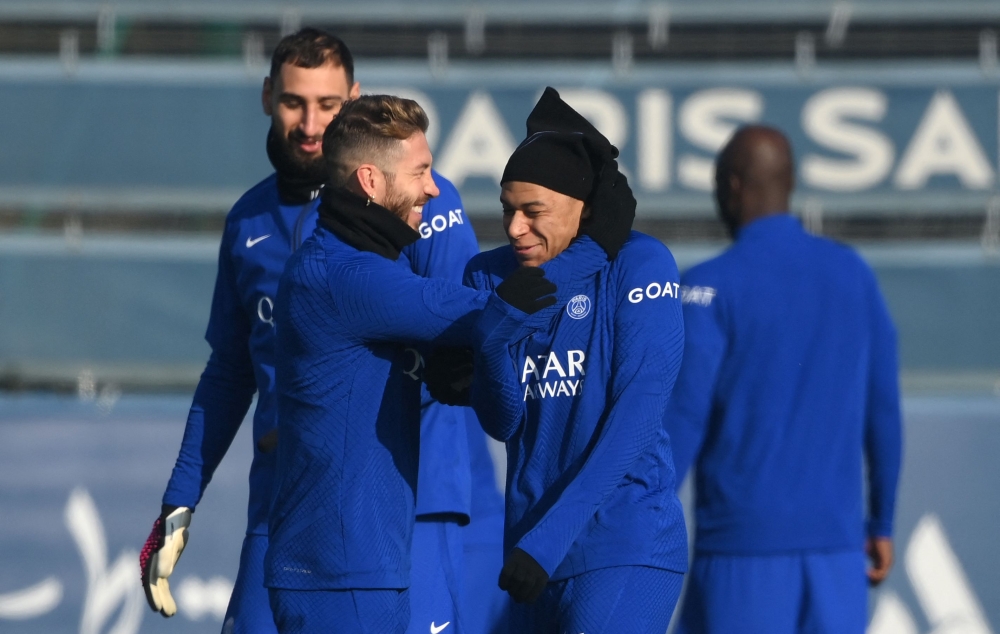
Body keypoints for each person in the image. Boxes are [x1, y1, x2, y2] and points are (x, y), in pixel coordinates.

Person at [139, 28, 501, 634]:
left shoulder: (424, 202)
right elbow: (230, 370)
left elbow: (463, 338)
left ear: (354, 101)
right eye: (293, 102)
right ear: (267, 97)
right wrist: (181, 495)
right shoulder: (248, 221)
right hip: (285, 506)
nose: (310, 125)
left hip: (406, 505)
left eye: (328, 105)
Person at [265, 94, 556, 634]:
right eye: (420, 172)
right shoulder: (344, 275)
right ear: (371, 182)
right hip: (341, 574)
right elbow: (482, 310)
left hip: (360, 568)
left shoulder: (352, 264)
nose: (432, 188)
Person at [445, 87, 689, 633]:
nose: (514, 228)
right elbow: (503, 421)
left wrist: (547, 542)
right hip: (529, 555)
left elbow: (634, 421)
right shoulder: (488, 275)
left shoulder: (641, 263)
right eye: (507, 210)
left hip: (622, 544)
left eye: (533, 212)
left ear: (583, 208)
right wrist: (491, 342)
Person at [665, 125, 903, 634]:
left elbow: (681, 420)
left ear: (731, 186)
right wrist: (881, 522)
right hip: (837, 554)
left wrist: (637, 524)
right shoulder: (853, 273)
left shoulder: (708, 285)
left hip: (741, 553)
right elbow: (883, 409)